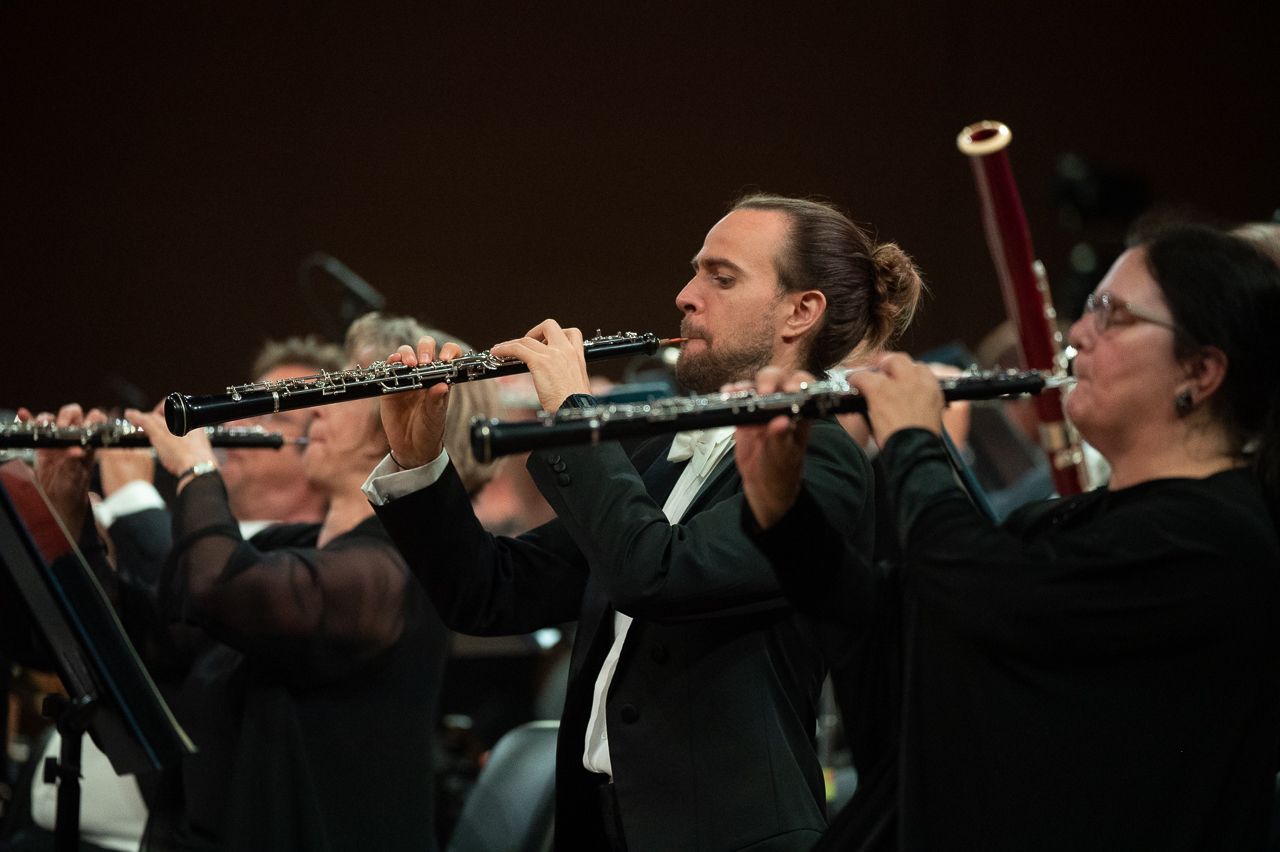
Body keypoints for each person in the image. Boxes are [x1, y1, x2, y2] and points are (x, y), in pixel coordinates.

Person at [364, 193, 924, 851]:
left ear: (800, 312)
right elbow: (490, 592)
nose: (686, 296)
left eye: (722, 277)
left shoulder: (818, 457)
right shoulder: (658, 453)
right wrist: (419, 462)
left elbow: (659, 575)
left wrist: (574, 412)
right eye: (694, 273)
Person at [736, 225, 1280, 851]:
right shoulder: (1067, 520)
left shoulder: (1216, 541)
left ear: (1201, 370)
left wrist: (914, 440)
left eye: (1113, 314)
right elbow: (891, 630)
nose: (1078, 334)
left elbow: (981, 602)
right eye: (1090, 309)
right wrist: (785, 513)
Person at [120, 313, 499, 852]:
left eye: (345, 387)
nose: (317, 405)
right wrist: (67, 520)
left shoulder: (394, 569)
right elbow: (164, 630)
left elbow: (221, 587)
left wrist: (196, 470)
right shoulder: (295, 546)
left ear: (400, 418)